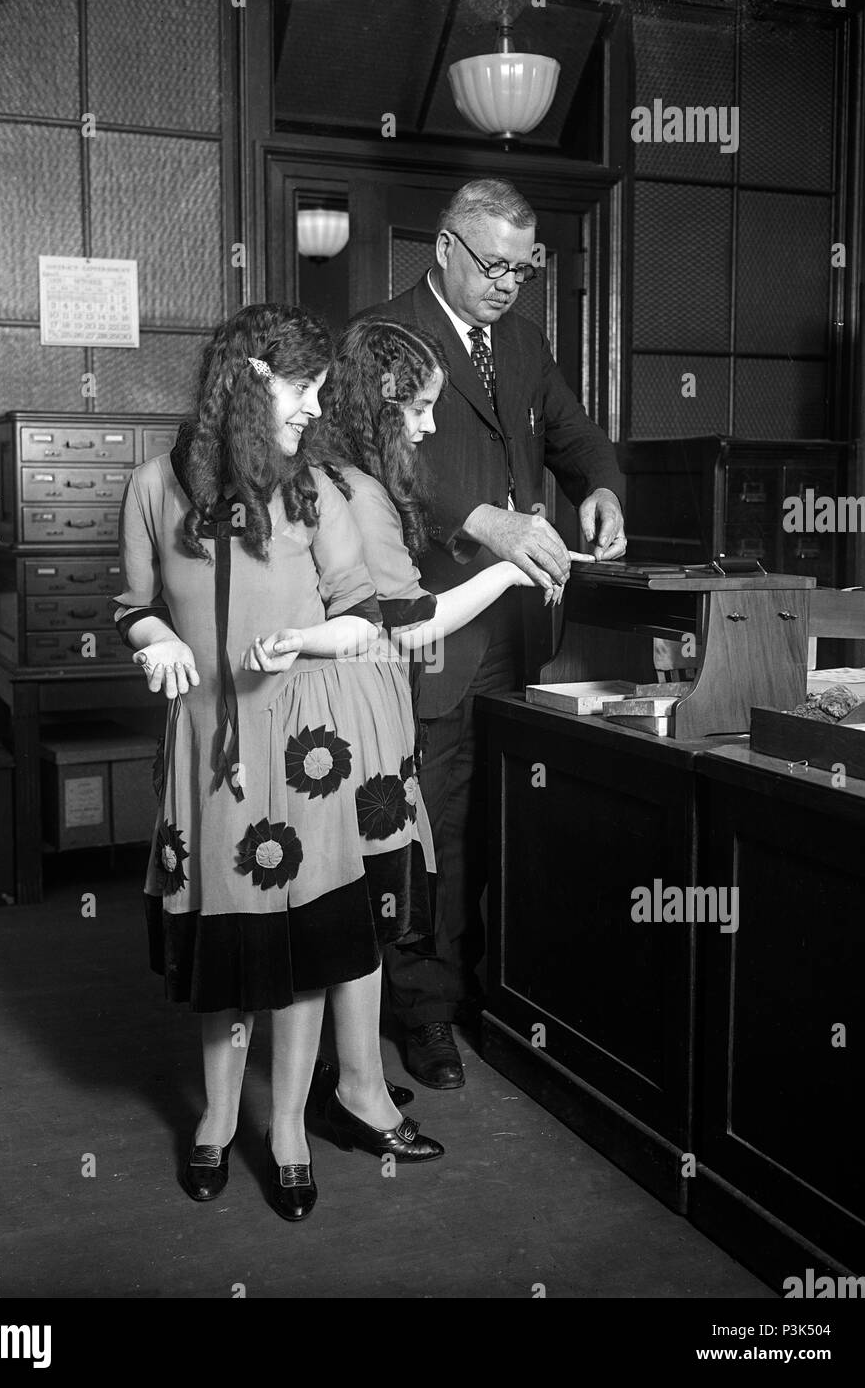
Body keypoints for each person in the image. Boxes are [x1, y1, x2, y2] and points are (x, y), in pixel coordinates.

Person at [113, 304, 443, 1224]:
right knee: (228, 952)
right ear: (253, 381)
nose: (314, 407)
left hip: (303, 756)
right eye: (302, 389)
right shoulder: (153, 486)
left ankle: (291, 1130)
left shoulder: (314, 492)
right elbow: (134, 604)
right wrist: (152, 642)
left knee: (301, 952)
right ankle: (217, 1121)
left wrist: (304, 641)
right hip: (205, 755)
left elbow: (364, 614)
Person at [360, 178, 627, 1089]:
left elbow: (575, 436)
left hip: (521, 629)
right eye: (492, 264)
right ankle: (424, 1012)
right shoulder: (384, 335)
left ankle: (495, 989)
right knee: (431, 822)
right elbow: (378, 463)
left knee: (511, 814)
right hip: (429, 626)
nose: (508, 283)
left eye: (523, 266)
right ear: (443, 247)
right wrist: (486, 521)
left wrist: (599, 487)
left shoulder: (520, 339)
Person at [307, 316, 550, 1100]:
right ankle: (357, 1082)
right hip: (359, 706)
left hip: (315, 710)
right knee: (373, 876)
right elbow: (410, 624)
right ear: (380, 406)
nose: (430, 425)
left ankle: (327, 1076)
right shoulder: (362, 490)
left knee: (329, 880)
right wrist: (509, 570)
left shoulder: (315, 470)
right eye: (416, 410)